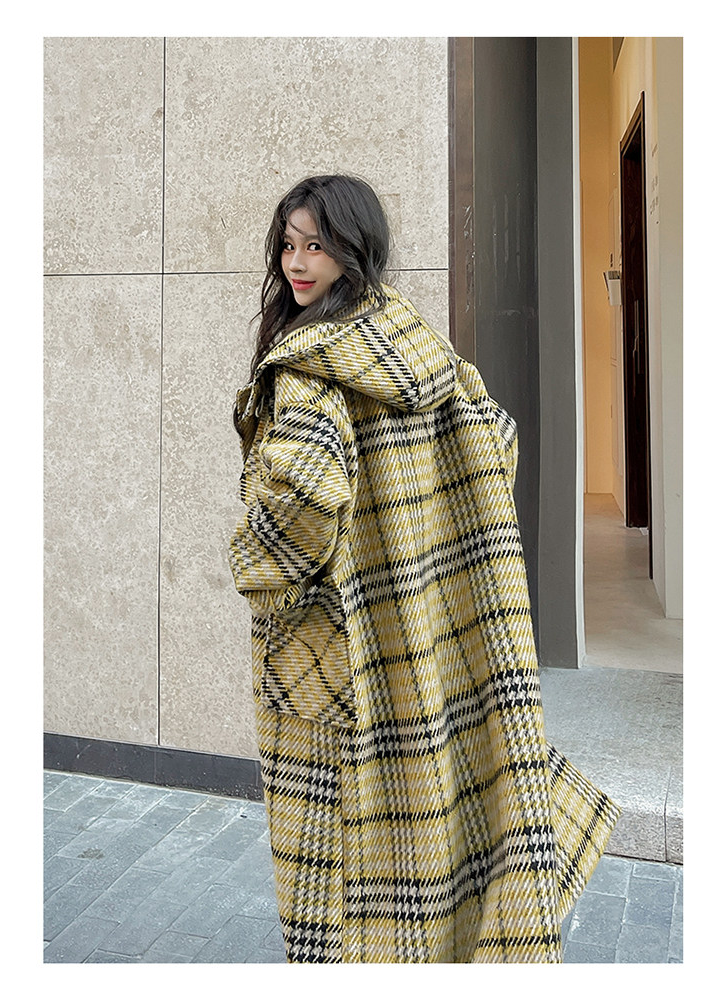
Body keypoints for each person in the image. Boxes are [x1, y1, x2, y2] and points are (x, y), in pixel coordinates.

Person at [228, 174, 619, 963]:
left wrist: (255, 569)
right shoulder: (417, 345)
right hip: (428, 626)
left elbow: (299, 509)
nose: (297, 263)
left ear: (354, 250)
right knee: (443, 819)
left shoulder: (310, 371)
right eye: (289, 244)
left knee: (344, 873)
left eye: (316, 246)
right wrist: (428, 537)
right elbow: (496, 439)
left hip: (342, 657)